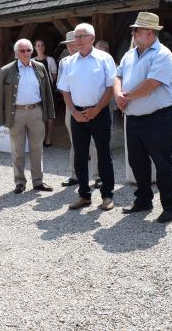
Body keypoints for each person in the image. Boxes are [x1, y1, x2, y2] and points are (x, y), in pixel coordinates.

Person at [114, 12, 172, 223]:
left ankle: (169, 205)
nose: (133, 33)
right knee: (137, 161)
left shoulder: (162, 54)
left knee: (162, 162)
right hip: (133, 116)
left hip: (157, 117)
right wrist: (118, 94)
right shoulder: (130, 53)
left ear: (150, 33)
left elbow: (152, 84)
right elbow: (118, 75)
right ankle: (143, 199)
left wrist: (126, 98)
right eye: (134, 30)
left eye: (137, 30)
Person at [59, 23, 117, 211]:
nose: (77, 40)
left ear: (92, 38)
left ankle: (107, 195)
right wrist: (74, 112)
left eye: (82, 36)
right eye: (76, 36)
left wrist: (97, 109)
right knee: (80, 156)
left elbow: (110, 87)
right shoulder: (69, 62)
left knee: (103, 155)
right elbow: (65, 90)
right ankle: (84, 195)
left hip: (99, 113)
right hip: (78, 113)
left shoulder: (104, 58)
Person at [0, 39, 56, 193]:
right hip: (16, 113)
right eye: (22, 51)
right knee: (18, 150)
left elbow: (48, 91)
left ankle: (38, 181)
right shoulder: (6, 70)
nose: (26, 53)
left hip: (36, 111)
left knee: (37, 148)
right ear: (16, 53)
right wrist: (0, 117)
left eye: (28, 50)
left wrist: (48, 112)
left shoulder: (40, 67)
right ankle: (20, 182)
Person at [58, 32, 100, 188]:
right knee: (74, 142)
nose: (70, 46)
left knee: (94, 143)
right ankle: (74, 175)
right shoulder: (64, 62)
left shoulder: (93, 59)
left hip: (90, 106)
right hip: (72, 107)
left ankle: (97, 175)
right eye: (68, 44)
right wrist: (72, 109)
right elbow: (63, 89)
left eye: (72, 43)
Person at [33, 39, 57, 147]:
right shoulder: (32, 61)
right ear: (35, 47)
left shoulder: (50, 60)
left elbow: (54, 76)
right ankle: (41, 137)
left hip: (49, 91)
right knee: (40, 115)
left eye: (42, 45)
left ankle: (48, 138)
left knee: (50, 115)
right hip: (36, 92)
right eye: (38, 45)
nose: (40, 47)